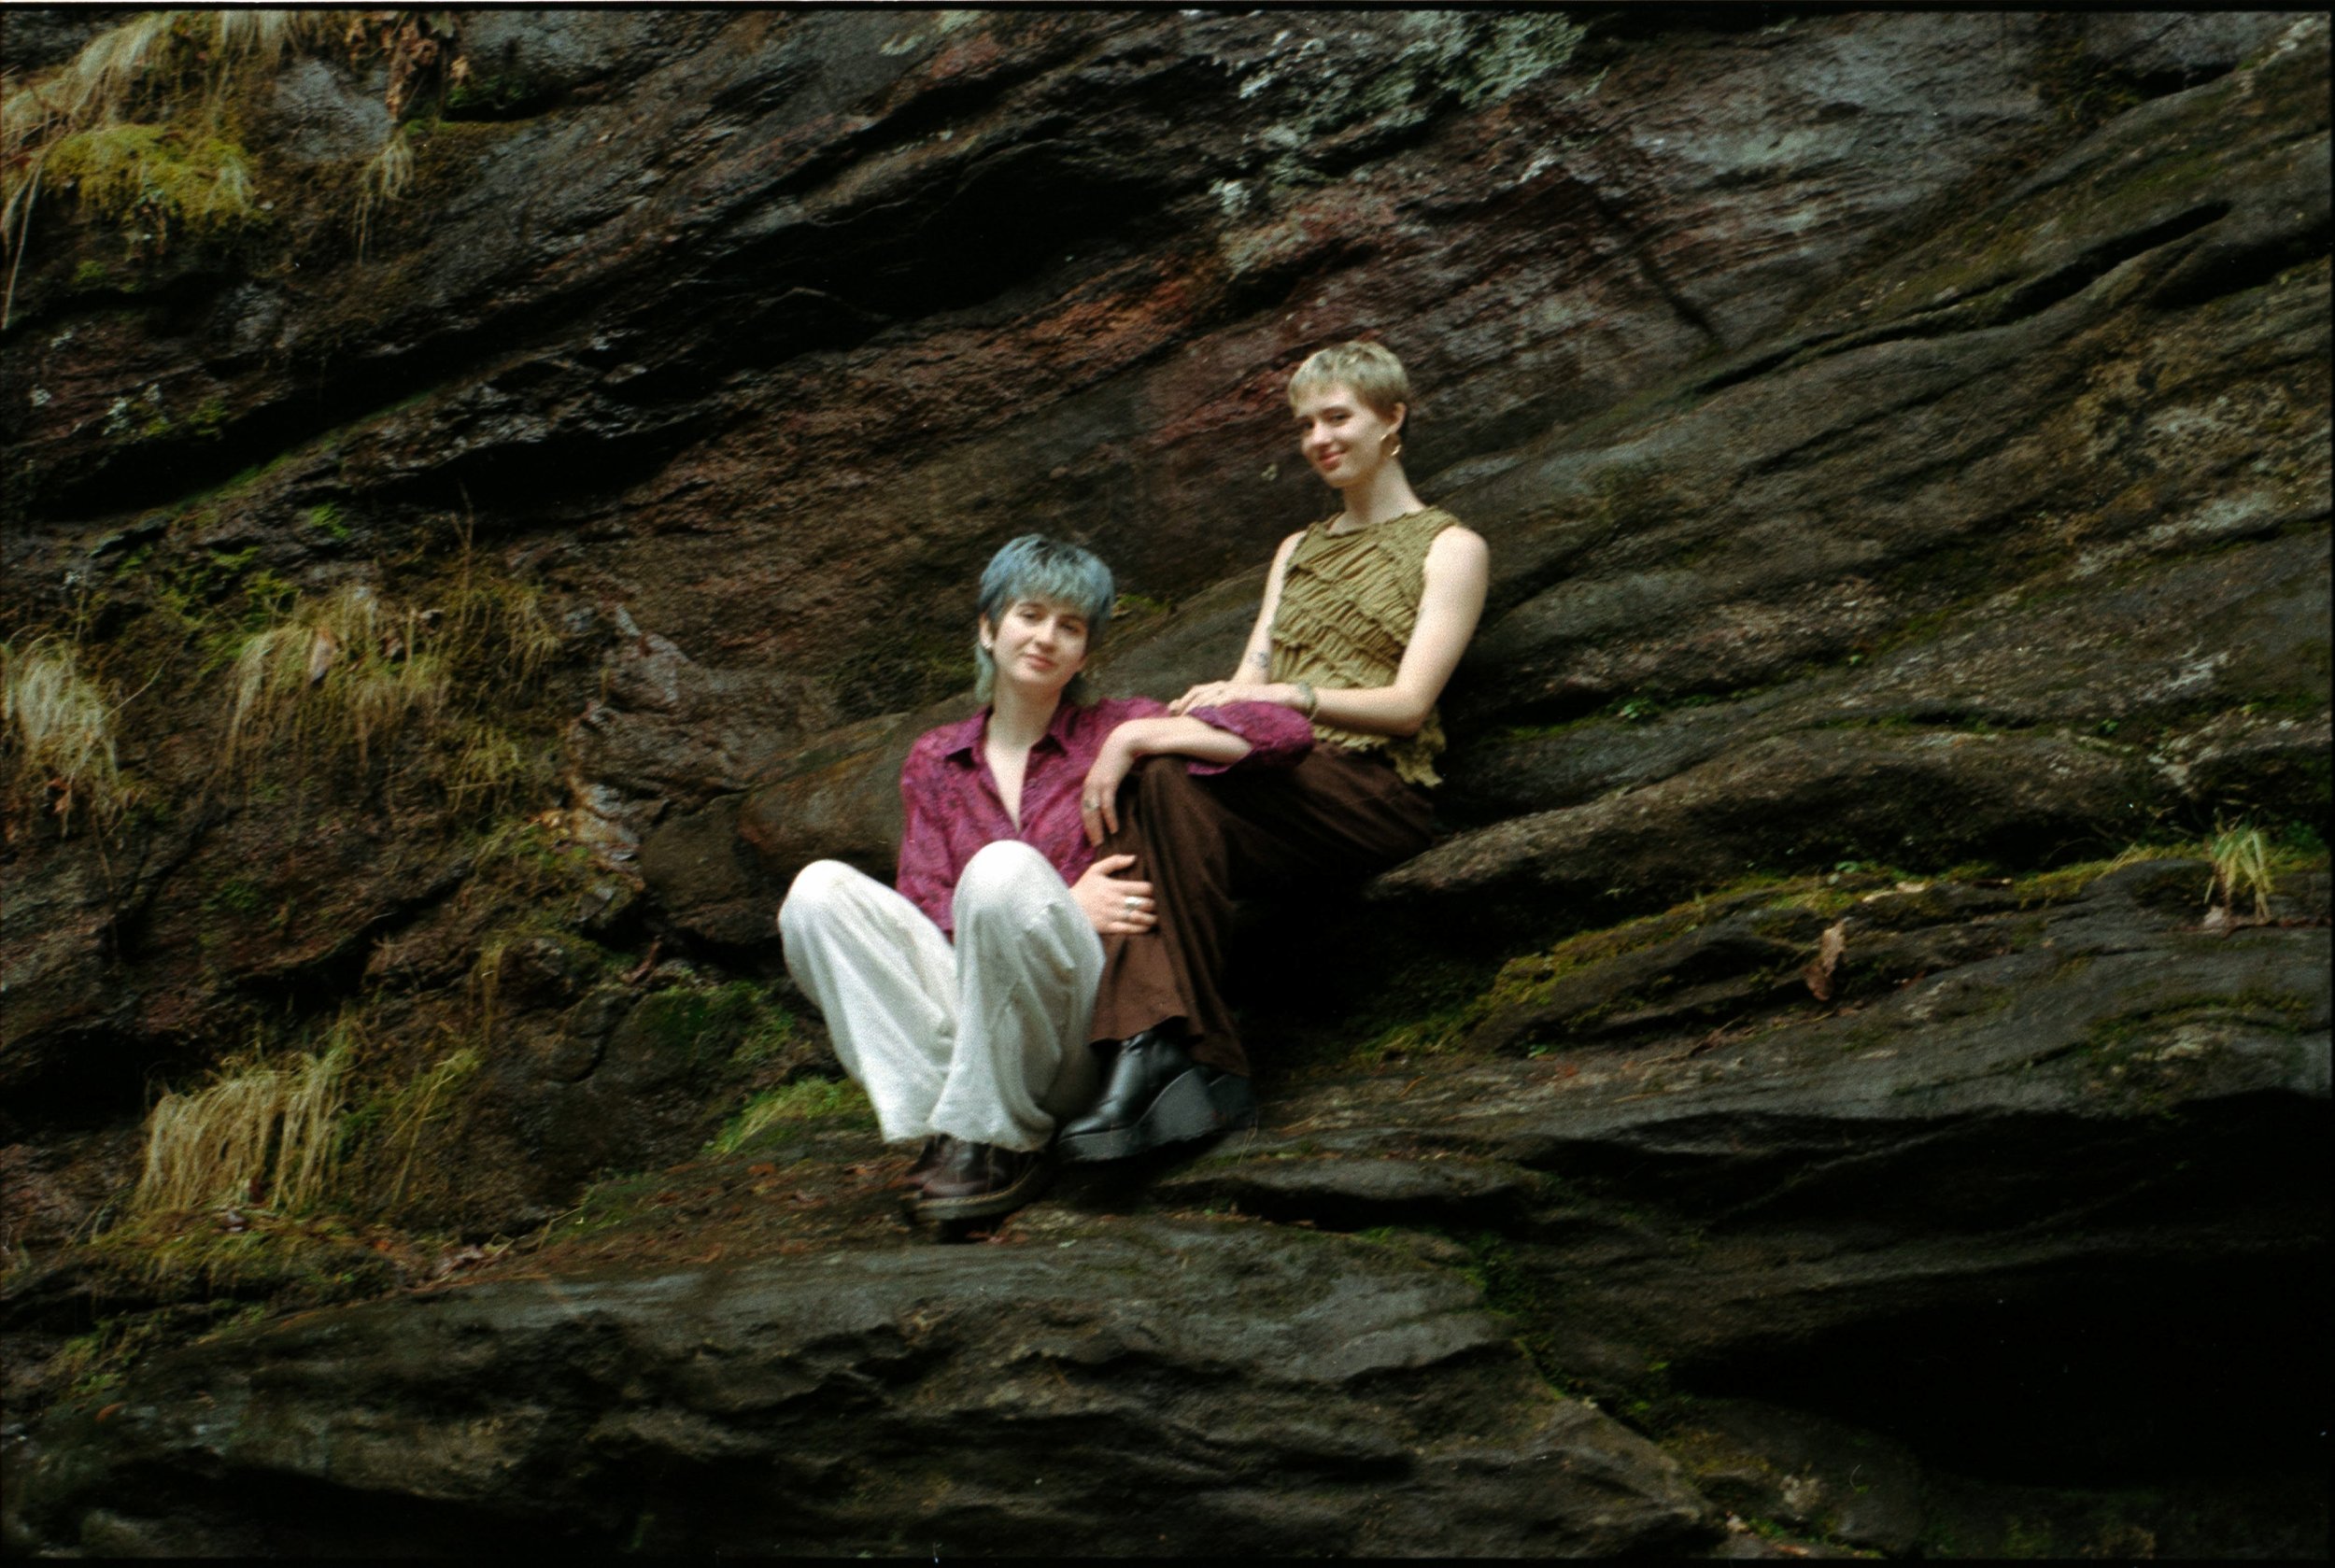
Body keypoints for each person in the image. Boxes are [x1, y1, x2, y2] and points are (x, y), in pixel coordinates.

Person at [776, 535, 1312, 1224]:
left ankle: (1003, 1139)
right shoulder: (936, 759)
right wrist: (1059, 901)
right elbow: (927, 912)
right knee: (817, 892)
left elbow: (1283, 734)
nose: (1046, 637)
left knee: (1001, 870)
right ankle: (960, 1125)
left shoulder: (1114, 724)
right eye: (1030, 614)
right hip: (975, 1025)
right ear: (988, 626)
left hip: (1079, 1032)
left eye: (1071, 626)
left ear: (1086, 653)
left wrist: (1136, 741)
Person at [1057, 339, 1491, 1163]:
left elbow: (1406, 707)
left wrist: (1287, 697)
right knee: (1158, 789)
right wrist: (1188, 715)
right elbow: (1247, 675)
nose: (1319, 438)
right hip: (1277, 774)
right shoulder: (1299, 549)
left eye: (1339, 417)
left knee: (1158, 771)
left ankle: (1161, 1054)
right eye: (1306, 425)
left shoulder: (1450, 547)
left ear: (1392, 418)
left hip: (1374, 791)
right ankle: (1171, 1060)